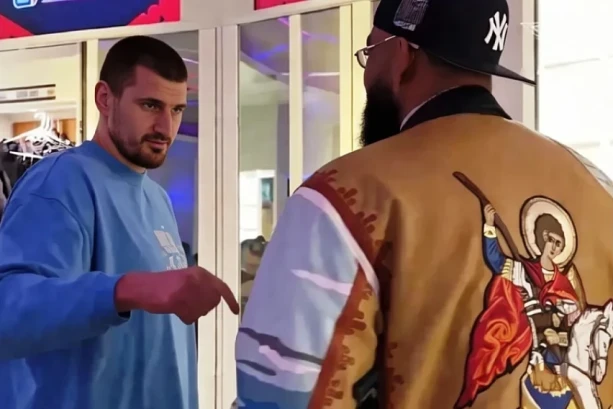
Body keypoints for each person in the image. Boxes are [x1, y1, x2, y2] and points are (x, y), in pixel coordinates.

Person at [234, 0, 613, 407]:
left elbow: (280, 395)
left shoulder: (343, 197)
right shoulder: (598, 187)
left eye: (369, 52)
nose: (367, 71)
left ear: (401, 54)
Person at [0, 35, 239, 409]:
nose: (166, 127)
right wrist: (125, 289)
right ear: (105, 99)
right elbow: (8, 311)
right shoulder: (59, 184)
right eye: (150, 105)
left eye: (177, 109)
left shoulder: (156, 197)